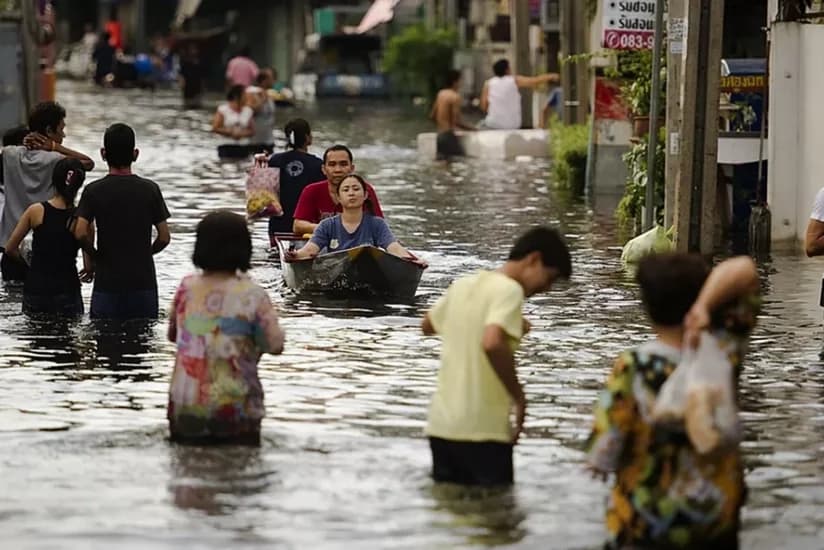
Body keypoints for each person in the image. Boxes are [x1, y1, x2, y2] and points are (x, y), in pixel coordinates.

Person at [586, 253, 760, 550]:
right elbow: (746, 269)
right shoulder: (722, 350)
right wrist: (704, 307)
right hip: (714, 523)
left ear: (647, 306)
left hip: (647, 526)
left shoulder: (633, 367)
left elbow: (603, 451)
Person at [421, 227, 571, 486]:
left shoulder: (465, 284)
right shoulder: (510, 291)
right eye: (550, 278)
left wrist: (501, 320)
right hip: (484, 430)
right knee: (499, 520)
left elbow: (427, 325)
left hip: (442, 427)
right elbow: (492, 343)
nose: (546, 289)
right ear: (533, 260)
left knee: (451, 514)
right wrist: (518, 396)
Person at [167, 210, 284, 445]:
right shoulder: (253, 294)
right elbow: (274, 345)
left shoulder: (187, 288)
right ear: (245, 247)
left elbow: (173, 335)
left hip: (186, 404)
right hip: (236, 404)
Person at [74, 123, 171, 319]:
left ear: (103, 154)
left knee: (104, 339)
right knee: (142, 340)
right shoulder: (150, 189)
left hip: (107, 283)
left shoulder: (93, 191)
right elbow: (164, 237)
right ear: (135, 154)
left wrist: (94, 257)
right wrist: (144, 253)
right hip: (143, 282)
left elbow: (80, 232)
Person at [0, 102, 94, 282]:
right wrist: (55, 147)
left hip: (11, 248)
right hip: (44, 252)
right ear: (50, 131)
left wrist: (26, 140)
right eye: (61, 129)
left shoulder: (9, 154)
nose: (64, 134)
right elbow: (88, 163)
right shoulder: (57, 160)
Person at [4, 159, 91, 315]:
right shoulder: (83, 218)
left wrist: (31, 265)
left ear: (54, 180)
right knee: (67, 336)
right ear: (79, 184)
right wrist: (90, 271)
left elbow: (10, 249)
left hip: (36, 287)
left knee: (36, 334)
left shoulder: (36, 211)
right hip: (68, 288)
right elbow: (88, 265)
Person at [289, 174, 420, 263]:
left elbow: (394, 248)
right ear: (339, 198)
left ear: (365, 195)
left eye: (356, 189)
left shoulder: (377, 224)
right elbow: (310, 250)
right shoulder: (326, 225)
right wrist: (295, 255)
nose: (351, 193)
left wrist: (413, 260)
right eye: (346, 190)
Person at [292, 145, 384, 235]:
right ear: (324, 169)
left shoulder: (365, 190)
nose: (338, 170)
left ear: (352, 168)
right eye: (332, 164)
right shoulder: (311, 190)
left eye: (343, 164)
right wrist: (330, 229)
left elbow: (380, 226)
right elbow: (298, 226)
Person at [266, 118, 324, 239]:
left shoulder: (274, 160)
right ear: (308, 138)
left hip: (277, 226)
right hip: (306, 226)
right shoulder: (318, 164)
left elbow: (266, 193)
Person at [480, 58, 560, 130]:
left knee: (480, 126)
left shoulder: (488, 83)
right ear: (507, 70)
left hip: (493, 124)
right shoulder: (514, 80)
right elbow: (534, 81)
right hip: (513, 125)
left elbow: (484, 106)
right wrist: (551, 76)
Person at [430, 69, 475, 160]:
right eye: (460, 81)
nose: (461, 84)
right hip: (448, 136)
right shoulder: (455, 97)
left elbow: (432, 116)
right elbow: (456, 122)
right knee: (462, 161)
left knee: (443, 167)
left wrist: (442, 125)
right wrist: (473, 129)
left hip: (439, 136)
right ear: (455, 82)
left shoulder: (440, 94)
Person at [245, 68, 276, 151]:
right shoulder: (251, 92)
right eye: (272, 78)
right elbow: (248, 112)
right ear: (264, 80)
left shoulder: (269, 94)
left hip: (268, 140)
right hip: (254, 142)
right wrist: (262, 100)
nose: (274, 81)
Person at [179, 43, 204, 110]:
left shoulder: (200, 61)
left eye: (195, 49)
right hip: (188, 86)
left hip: (197, 85)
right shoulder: (185, 61)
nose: (193, 51)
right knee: (187, 103)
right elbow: (182, 74)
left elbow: (202, 75)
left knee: (197, 103)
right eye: (192, 49)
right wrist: (182, 83)